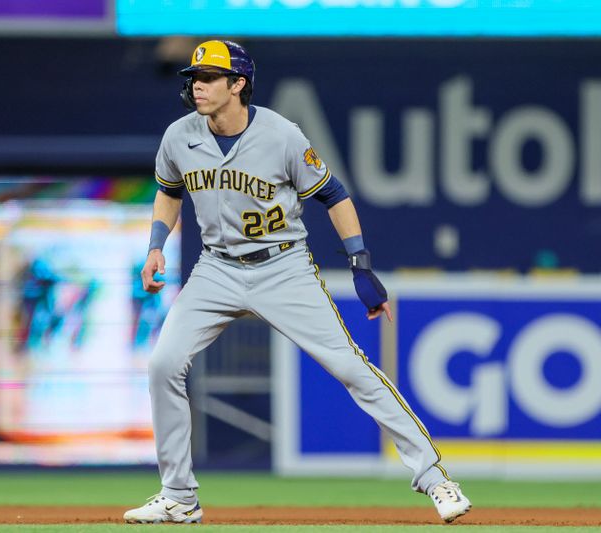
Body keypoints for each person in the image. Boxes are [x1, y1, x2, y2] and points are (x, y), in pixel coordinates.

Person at [123, 40, 471, 525]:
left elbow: (335, 195)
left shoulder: (280, 134)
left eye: (208, 77)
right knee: (163, 364)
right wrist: (156, 244)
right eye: (193, 78)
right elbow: (167, 193)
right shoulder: (179, 136)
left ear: (238, 84)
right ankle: (179, 495)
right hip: (216, 268)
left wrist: (361, 264)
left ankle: (436, 479)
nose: (196, 85)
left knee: (351, 368)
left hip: (281, 267)